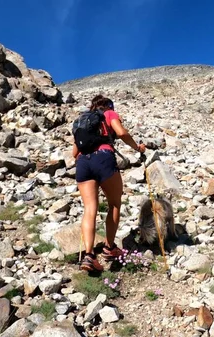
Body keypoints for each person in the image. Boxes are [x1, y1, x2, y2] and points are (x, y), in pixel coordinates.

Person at [72, 95, 146, 272]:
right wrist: (138, 148)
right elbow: (121, 133)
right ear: (108, 105)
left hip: (83, 162)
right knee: (114, 204)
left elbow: (74, 152)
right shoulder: (109, 114)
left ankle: (88, 256)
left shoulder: (82, 120)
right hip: (103, 158)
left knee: (90, 208)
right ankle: (110, 247)